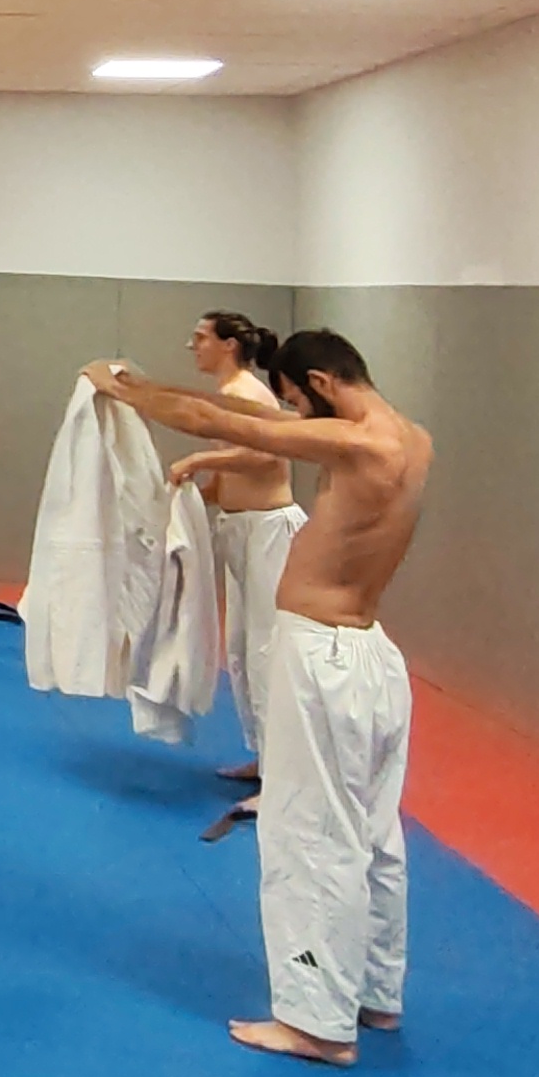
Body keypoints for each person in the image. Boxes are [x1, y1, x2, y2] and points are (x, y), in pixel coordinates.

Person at [83, 332, 432, 1065]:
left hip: (324, 657)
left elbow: (222, 423)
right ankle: (375, 993)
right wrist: (151, 384)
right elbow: (249, 416)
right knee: (372, 832)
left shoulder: (360, 444)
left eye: (299, 399)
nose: (293, 413)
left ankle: (316, 1023)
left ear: (320, 383)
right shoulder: (412, 439)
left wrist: (124, 391)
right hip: (369, 654)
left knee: (309, 832)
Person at [163, 310, 298, 779]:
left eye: (201, 337)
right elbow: (227, 481)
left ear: (229, 345)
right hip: (240, 527)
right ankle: (264, 754)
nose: (192, 346)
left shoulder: (249, 394)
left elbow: (268, 454)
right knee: (239, 650)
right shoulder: (227, 396)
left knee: (265, 648)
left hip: (268, 529)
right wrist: (184, 500)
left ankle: (283, 768)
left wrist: (199, 458)